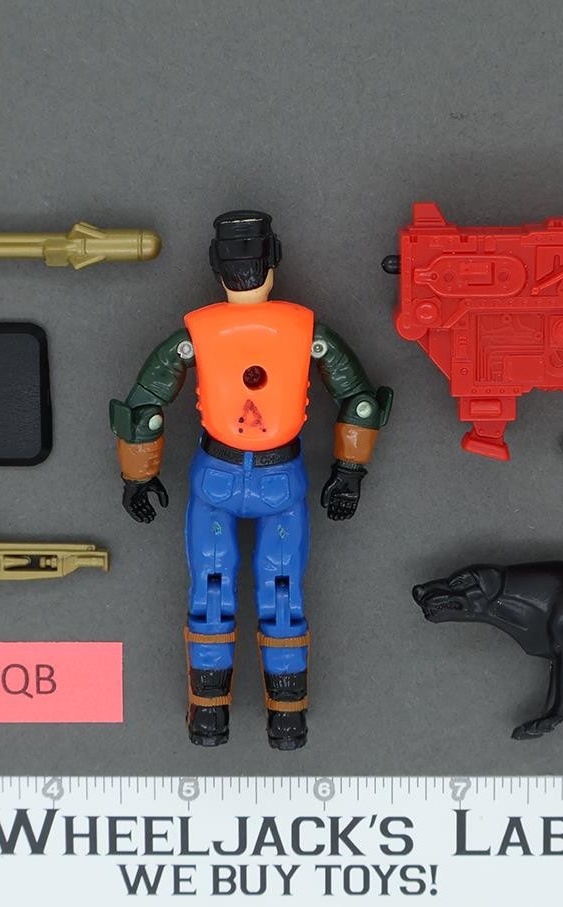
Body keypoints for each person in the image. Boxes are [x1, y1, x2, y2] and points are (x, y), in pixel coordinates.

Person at [110, 210, 391, 750]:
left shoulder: (195, 336)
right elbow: (358, 400)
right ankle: (284, 719)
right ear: (274, 259)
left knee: (212, 590)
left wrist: (138, 474)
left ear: (214, 265)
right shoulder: (308, 333)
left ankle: (210, 714)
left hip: (217, 478)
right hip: (277, 480)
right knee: (281, 593)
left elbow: (145, 405)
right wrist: (349, 469)